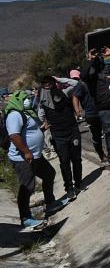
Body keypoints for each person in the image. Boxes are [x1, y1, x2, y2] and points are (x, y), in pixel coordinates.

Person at [5, 90, 69, 231]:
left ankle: (50, 203)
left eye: (28, 98)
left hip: (35, 156)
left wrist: (42, 128)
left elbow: (28, 131)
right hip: (23, 158)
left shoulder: (27, 113)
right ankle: (26, 218)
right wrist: (26, 151)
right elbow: (14, 136)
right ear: (18, 100)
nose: (28, 100)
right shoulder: (14, 115)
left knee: (49, 174)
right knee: (27, 186)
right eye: (25, 98)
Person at [37, 75, 83, 201]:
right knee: (64, 162)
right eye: (44, 84)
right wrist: (48, 122)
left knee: (77, 159)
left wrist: (60, 79)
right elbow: (40, 117)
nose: (47, 86)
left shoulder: (64, 92)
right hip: (58, 135)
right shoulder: (42, 102)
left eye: (49, 83)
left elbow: (76, 84)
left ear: (54, 83)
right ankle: (69, 188)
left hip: (72, 130)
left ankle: (78, 183)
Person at [69, 68, 105, 163]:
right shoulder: (81, 84)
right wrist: (77, 110)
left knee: (109, 132)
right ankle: (101, 154)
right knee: (97, 136)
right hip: (91, 114)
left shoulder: (97, 80)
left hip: (103, 110)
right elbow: (75, 97)